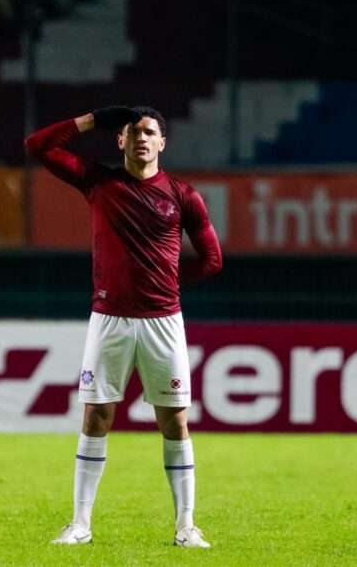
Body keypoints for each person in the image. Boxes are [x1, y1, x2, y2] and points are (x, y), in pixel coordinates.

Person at [24, 105, 222, 548]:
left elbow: (212, 259)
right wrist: (93, 119)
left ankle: (186, 526)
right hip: (109, 319)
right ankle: (80, 525)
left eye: (149, 132)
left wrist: (168, 281)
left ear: (162, 142)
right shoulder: (100, 182)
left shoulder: (183, 196)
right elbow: (36, 146)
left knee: (174, 422)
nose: (141, 138)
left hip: (163, 321)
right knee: (96, 417)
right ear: (120, 140)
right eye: (133, 131)